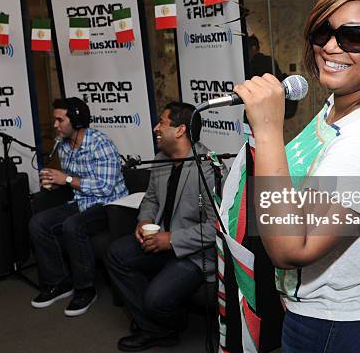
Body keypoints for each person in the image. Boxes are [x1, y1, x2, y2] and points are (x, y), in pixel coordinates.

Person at [233, 0, 360, 352]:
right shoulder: (346, 101)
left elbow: (291, 249)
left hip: (349, 322)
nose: (331, 48)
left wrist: (269, 131)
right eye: (324, 31)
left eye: (355, 37)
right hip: (330, 307)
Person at [107, 101, 218, 352]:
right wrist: (144, 220)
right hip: (159, 241)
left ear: (180, 130)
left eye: (162, 123)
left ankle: (166, 323)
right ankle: (158, 329)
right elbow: (151, 199)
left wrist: (172, 239)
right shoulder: (161, 159)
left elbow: (215, 227)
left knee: (156, 300)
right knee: (116, 254)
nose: (156, 128)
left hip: (193, 254)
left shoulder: (207, 167)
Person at [29, 97, 128, 316]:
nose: (55, 125)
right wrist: (56, 183)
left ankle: (86, 289)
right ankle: (60, 282)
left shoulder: (100, 143)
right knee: (38, 223)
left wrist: (64, 179)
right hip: (81, 200)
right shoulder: (63, 145)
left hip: (108, 204)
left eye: (59, 120)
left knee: (73, 226)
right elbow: (72, 180)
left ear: (76, 119)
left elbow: (105, 187)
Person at [247, 34, 298, 119]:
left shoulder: (258, 62)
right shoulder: (268, 60)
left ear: (253, 48)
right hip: (273, 106)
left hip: (264, 108)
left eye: (247, 49)